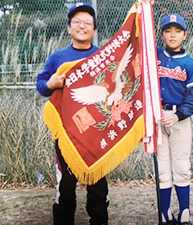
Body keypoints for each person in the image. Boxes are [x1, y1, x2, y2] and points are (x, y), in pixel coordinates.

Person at [36, 3, 109, 225]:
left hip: (96, 134)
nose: (82, 26)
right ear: (69, 28)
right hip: (67, 134)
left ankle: (99, 220)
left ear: (94, 30)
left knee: (97, 183)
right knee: (66, 184)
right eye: (77, 22)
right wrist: (52, 82)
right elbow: (41, 86)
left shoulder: (103, 56)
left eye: (87, 23)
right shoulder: (58, 57)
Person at [156, 13, 193, 225]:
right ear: (162, 34)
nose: (172, 35)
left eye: (177, 31)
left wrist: (177, 115)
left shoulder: (191, 64)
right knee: (162, 168)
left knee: (181, 167)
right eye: (168, 31)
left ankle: (184, 212)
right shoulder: (154, 55)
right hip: (156, 119)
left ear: (185, 34)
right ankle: (164, 214)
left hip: (179, 119)